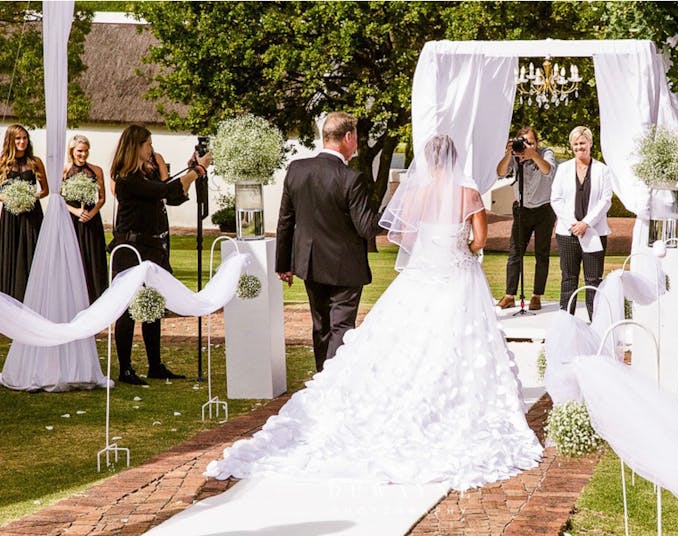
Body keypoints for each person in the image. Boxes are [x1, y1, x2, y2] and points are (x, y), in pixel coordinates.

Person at [205, 134, 542, 491]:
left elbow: (405, 236)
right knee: (460, 341)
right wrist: (458, 245)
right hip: (458, 275)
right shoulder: (469, 195)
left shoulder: (416, 194)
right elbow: (479, 241)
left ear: (428, 161)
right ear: (456, 159)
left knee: (407, 339)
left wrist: (432, 245)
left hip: (422, 275)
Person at [276, 112, 381, 372]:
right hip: (345, 268)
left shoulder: (296, 169)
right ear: (347, 137)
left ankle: (321, 377)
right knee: (342, 328)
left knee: (321, 326)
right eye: (356, 137)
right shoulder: (351, 178)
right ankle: (330, 385)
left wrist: (283, 264)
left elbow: (285, 220)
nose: (356, 143)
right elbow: (366, 227)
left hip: (310, 264)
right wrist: (394, 215)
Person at [109, 124, 212, 385]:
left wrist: (191, 172)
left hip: (152, 248)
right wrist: (197, 171)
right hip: (132, 250)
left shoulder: (147, 175)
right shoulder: (126, 179)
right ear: (136, 146)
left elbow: (172, 196)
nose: (151, 149)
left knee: (154, 304)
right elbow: (164, 191)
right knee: (128, 308)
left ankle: (155, 364)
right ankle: (125, 369)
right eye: (148, 144)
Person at [550, 126, 613, 321]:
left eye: (583, 143)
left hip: (595, 232)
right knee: (569, 278)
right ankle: (566, 323)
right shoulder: (563, 169)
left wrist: (586, 223)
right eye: (576, 144)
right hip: (568, 234)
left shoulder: (603, 170)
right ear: (572, 146)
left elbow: (606, 200)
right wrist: (573, 224)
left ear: (590, 143)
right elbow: (556, 199)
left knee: (593, 280)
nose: (579, 147)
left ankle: (596, 324)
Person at [495, 126, 557, 311]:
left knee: (541, 254)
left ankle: (536, 295)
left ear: (537, 142)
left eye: (531, 142)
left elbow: (548, 171)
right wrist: (509, 153)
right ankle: (509, 295)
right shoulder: (515, 156)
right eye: (524, 142)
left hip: (544, 210)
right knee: (515, 253)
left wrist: (533, 155)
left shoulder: (546, 153)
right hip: (522, 210)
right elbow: (500, 172)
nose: (527, 145)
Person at [0, 124, 48, 301]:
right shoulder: (2, 162)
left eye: (25, 138)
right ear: (10, 140)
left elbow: (45, 190)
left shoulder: (35, 162)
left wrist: (29, 198)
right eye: (18, 138)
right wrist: (11, 199)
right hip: (10, 216)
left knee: (32, 252)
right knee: (10, 254)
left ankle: (33, 297)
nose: (22, 142)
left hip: (31, 214)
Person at [62, 135, 108, 303]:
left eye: (86, 151)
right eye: (80, 151)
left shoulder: (96, 170)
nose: (83, 154)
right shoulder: (65, 169)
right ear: (72, 151)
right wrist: (75, 211)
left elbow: (102, 198)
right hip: (72, 220)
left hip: (91, 220)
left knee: (92, 258)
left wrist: (93, 212)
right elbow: (58, 198)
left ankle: (95, 298)